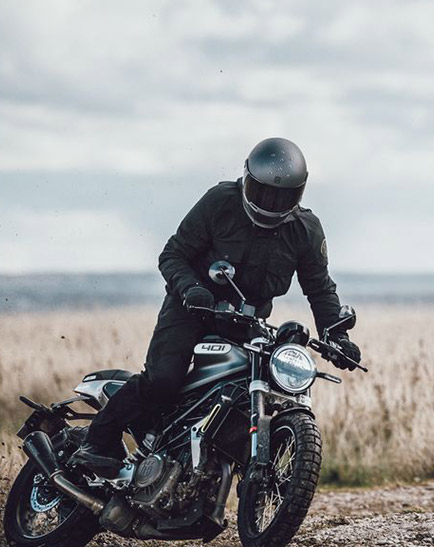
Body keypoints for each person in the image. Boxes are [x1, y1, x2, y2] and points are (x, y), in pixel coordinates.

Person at [69, 137, 361, 474]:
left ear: (299, 193)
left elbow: (320, 289)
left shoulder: (305, 230)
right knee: (164, 379)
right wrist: (191, 289)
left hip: (245, 322)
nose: (271, 202)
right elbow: (173, 254)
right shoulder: (220, 202)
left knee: (255, 386)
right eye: (264, 191)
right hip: (191, 308)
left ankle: (215, 465)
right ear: (247, 178)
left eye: (283, 195)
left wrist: (336, 336)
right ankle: (96, 442)